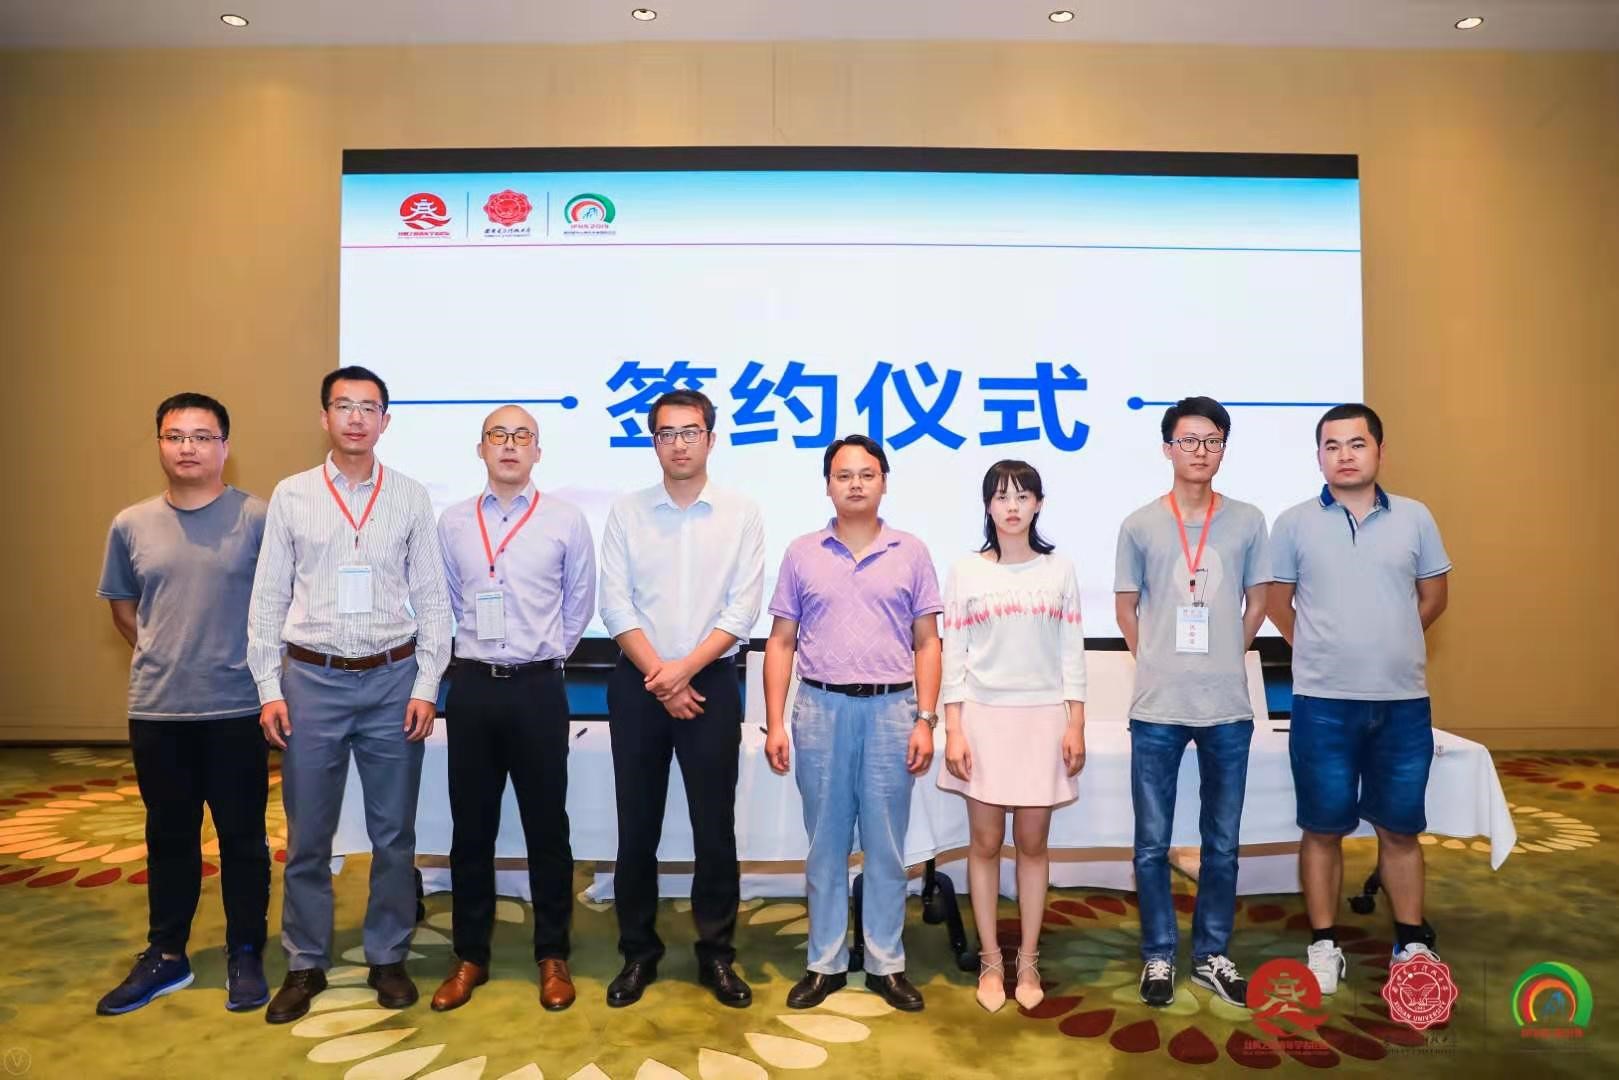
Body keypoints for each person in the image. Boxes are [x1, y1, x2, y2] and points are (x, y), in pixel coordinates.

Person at [247, 365, 452, 1024]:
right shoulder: (293, 494)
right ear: (324, 417)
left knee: (394, 834)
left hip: (393, 680)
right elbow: (268, 596)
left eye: (369, 407)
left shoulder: (410, 496)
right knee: (308, 833)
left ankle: (387, 955)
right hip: (312, 681)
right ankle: (305, 961)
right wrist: (268, 686)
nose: (356, 418)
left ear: (385, 421)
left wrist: (426, 683)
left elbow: (432, 599)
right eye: (344, 406)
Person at [95, 393, 272, 1016]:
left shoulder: (259, 518)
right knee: (169, 836)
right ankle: (167, 953)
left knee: (243, 838)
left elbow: (281, 607)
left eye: (202, 436)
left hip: (237, 709)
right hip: (159, 712)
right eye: (175, 436)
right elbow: (124, 609)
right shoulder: (131, 523)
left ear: (225, 446)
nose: (187, 448)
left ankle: (245, 950)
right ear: (159, 444)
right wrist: (167, 656)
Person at [1268, 403, 1451, 991]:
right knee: (1322, 828)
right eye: (1331, 446)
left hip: (1402, 703)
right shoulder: (1293, 523)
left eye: (1356, 444)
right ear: (1318, 456)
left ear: (1379, 451)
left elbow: (1434, 596)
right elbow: (1278, 604)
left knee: (1400, 829)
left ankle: (1410, 942)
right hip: (1322, 703)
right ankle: (1324, 944)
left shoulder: (1416, 518)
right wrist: (1318, 649)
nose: (1344, 456)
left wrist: (1390, 639)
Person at [764, 434, 943, 1013]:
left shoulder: (911, 551)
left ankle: (887, 963)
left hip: (892, 710)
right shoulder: (802, 553)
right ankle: (825, 963)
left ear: (884, 481)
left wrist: (926, 719)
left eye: (867, 474)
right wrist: (775, 723)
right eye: (844, 475)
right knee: (826, 845)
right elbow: (781, 641)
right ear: (828, 486)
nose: (856, 483)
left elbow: (927, 642)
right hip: (820, 709)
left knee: (887, 846)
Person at [597, 389, 763, 1008]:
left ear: (711, 439)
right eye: (666, 434)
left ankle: (716, 954)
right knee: (636, 826)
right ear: (654, 442)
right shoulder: (627, 512)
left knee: (713, 828)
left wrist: (683, 672)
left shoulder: (741, 513)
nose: (679, 444)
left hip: (710, 683)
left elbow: (742, 610)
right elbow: (616, 605)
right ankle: (638, 953)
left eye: (690, 432)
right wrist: (661, 677)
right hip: (638, 682)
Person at [431, 405, 596, 1013]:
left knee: (546, 827)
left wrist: (541, 655)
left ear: (537, 451)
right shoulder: (452, 521)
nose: (509, 445)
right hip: (473, 688)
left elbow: (579, 603)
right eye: (497, 436)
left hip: (537, 689)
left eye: (521, 436)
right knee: (471, 828)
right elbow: (448, 600)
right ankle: (470, 955)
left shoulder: (565, 519)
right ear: (480, 449)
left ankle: (552, 954)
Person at [1114, 396, 1269, 1008]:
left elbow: (1258, 601)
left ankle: (1210, 955)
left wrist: (1228, 650)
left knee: (1221, 844)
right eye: (1188, 441)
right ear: (1167, 449)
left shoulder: (1249, 521)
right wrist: (1154, 656)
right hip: (1157, 707)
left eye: (1212, 441)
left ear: (1223, 448)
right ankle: (1158, 953)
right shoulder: (1139, 524)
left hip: (1227, 706)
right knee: (1151, 844)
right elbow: (1126, 607)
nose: (1200, 451)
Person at [937, 460, 1087, 1013]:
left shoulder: (1060, 570)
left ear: (1039, 503)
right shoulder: (965, 571)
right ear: (988, 506)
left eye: (1023, 496)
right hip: (982, 720)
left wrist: (1075, 722)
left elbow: (1072, 653)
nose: (1012, 506)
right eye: (1001, 497)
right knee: (983, 845)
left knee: (1031, 844)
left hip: (1042, 718)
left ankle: (1027, 958)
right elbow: (954, 656)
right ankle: (990, 960)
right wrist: (953, 728)